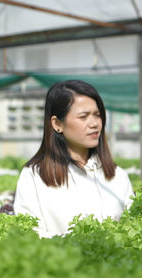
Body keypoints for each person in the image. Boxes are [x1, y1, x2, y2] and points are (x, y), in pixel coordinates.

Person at [14, 80, 134, 238]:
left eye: (97, 115)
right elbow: (29, 233)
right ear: (57, 124)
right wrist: (79, 246)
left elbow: (133, 229)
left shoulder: (118, 176)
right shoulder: (34, 176)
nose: (94, 124)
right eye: (83, 117)